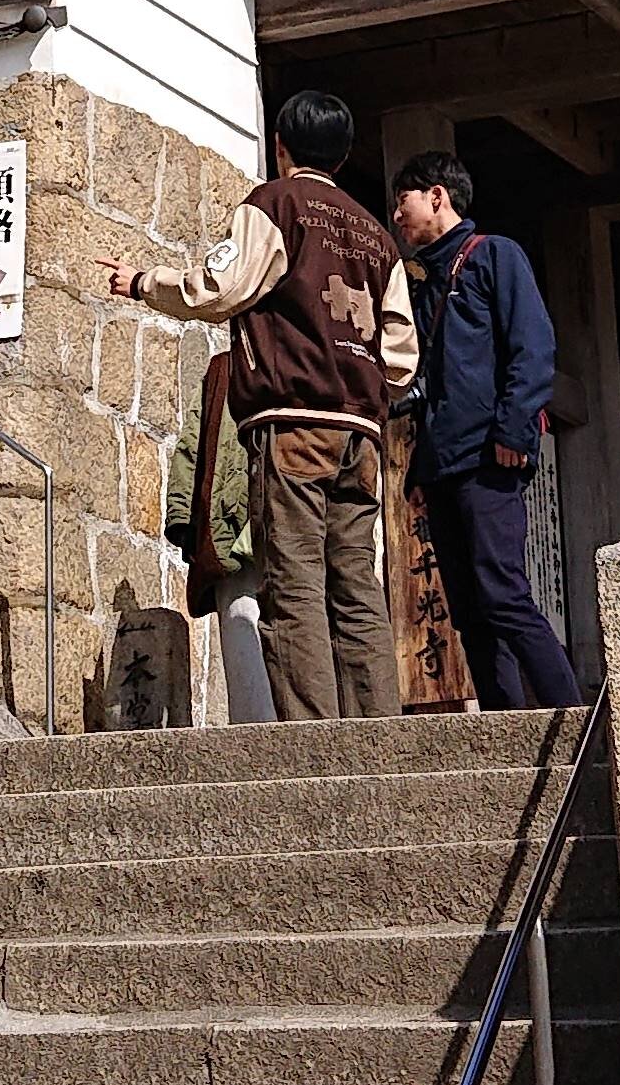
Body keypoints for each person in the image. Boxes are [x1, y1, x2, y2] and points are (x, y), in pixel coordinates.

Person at [103, 86, 415, 720]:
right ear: (345, 154)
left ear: (281, 147)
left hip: (292, 421)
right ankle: (380, 732)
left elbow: (219, 286)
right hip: (360, 429)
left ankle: (315, 743)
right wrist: (371, 393)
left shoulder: (273, 205)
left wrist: (143, 282)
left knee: (293, 583)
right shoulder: (378, 238)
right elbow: (402, 350)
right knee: (357, 586)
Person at [387, 152, 577, 710]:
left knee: (503, 594)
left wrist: (514, 432)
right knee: (469, 610)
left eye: (404, 202)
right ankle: (506, 727)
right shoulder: (424, 284)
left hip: (491, 457)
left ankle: (574, 717)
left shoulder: (495, 256)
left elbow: (533, 348)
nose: (398, 216)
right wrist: (421, 469)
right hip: (443, 464)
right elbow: (429, 383)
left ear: (437, 196)